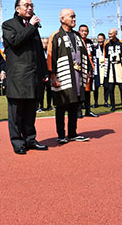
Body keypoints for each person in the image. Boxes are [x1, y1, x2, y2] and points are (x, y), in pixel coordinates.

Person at [2, 0, 48, 155]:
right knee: (16, 112)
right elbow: (15, 41)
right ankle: (17, 142)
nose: (30, 8)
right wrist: (32, 26)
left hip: (34, 76)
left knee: (30, 111)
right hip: (18, 76)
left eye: (31, 5)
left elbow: (39, 53)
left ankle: (30, 139)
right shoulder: (9, 25)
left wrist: (44, 72)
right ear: (17, 8)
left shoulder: (33, 27)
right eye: (26, 5)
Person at [48, 9, 91, 144]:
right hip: (63, 76)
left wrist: (87, 72)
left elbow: (86, 56)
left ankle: (72, 133)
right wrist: (53, 76)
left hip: (77, 76)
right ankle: (61, 134)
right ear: (62, 19)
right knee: (61, 106)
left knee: (74, 105)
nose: (74, 19)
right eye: (71, 17)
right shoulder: (56, 36)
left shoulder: (78, 36)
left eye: (75, 17)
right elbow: (51, 57)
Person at [104, 28, 122, 112]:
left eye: (111, 34)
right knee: (111, 88)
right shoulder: (107, 45)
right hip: (111, 67)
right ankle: (113, 105)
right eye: (109, 33)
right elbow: (106, 59)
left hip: (119, 66)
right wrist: (105, 74)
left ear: (115, 34)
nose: (110, 35)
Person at [77, 25, 97, 118]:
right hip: (79, 69)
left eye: (86, 31)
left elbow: (93, 56)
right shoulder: (76, 40)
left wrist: (92, 69)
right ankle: (79, 110)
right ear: (79, 31)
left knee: (88, 90)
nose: (84, 32)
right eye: (82, 31)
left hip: (89, 69)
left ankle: (88, 110)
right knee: (79, 90)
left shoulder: (90, 42)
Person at [93, 33, 108, 107]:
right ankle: (96, 102)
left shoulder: (107, 48)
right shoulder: (95, 48)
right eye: (99, 39)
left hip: (105, 69)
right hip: (97, 69)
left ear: (104, 39)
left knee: (106, 86)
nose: (100, 41)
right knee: (96, 87)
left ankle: (106, 101)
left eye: (101, 39)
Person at [38, 38, 53, 112]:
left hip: (49, 72)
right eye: (44, 43)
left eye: (46, 43)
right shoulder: (39, 52)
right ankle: (40, 106)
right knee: (41, 90)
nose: (45, 44)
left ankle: (49, 105)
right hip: (41, 73)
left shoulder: (50, 52)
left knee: (49, 90)